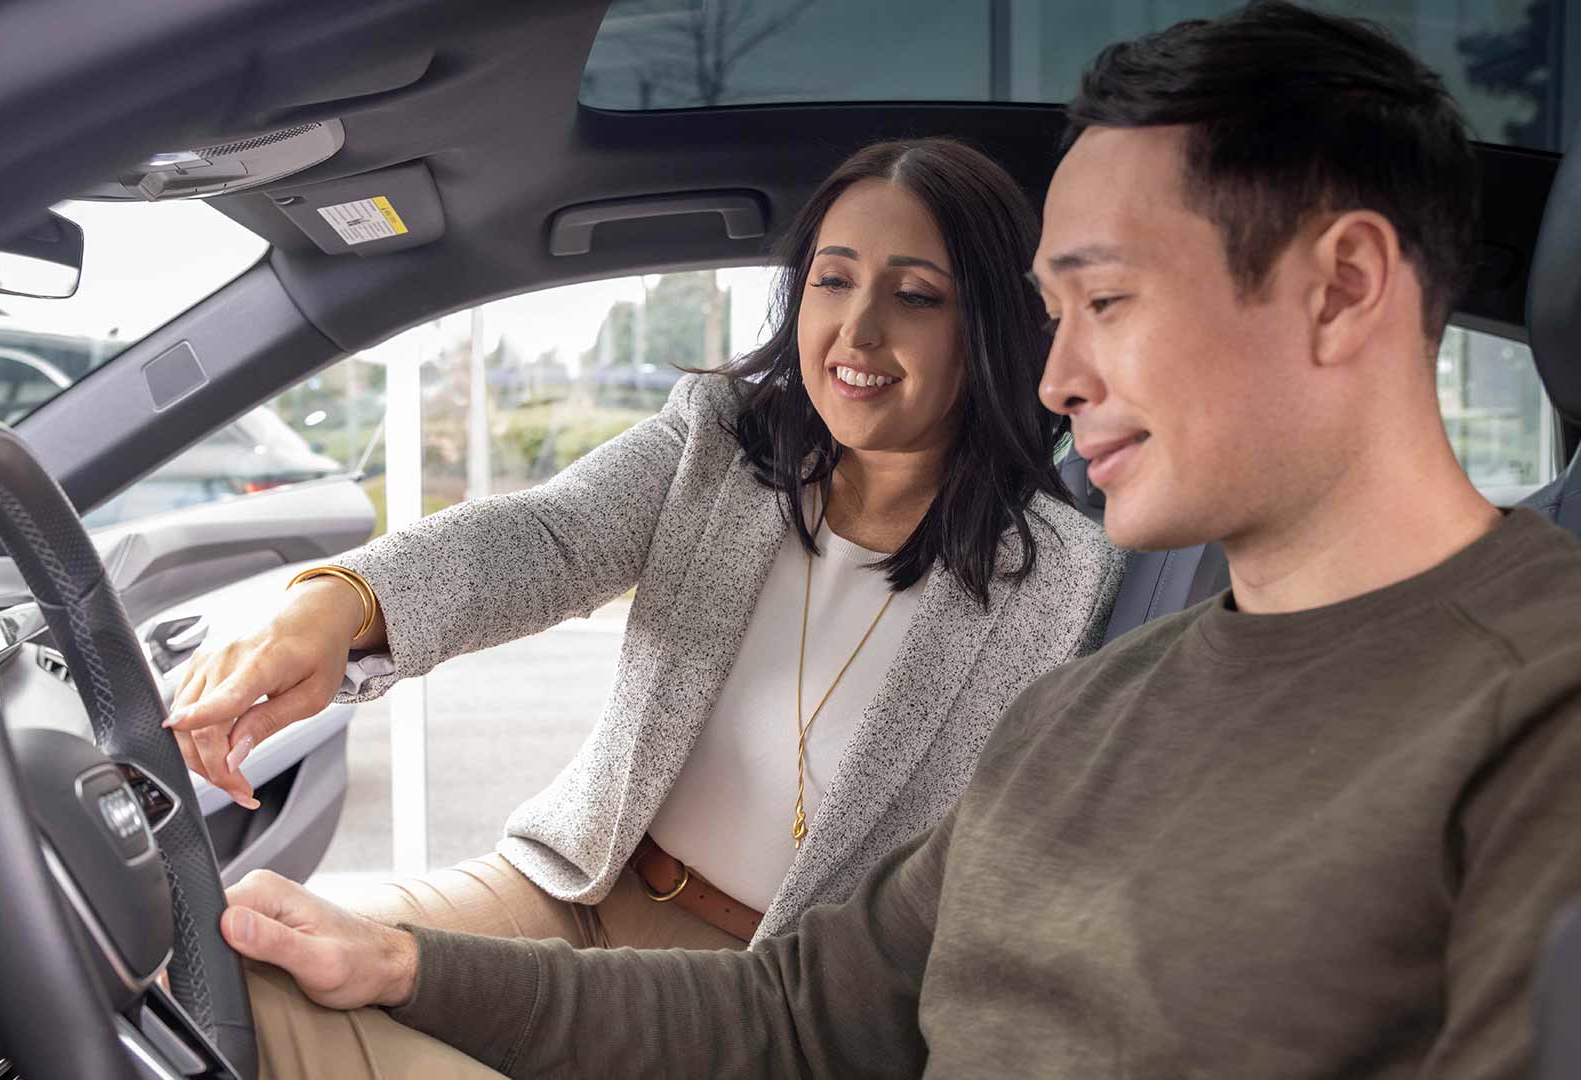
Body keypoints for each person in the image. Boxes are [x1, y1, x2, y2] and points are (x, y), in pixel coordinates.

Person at [213, 3, 1581, 1077]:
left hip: (731, 963)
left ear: (1340, 289)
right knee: (242, 981)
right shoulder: (1104, 707)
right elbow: (803, 1021)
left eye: (1104, 301)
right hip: (619, 926)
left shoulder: (1535, 712)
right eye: (1055, 314)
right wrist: (397, 956)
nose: (1060, 380)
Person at [167, 137, 1121, 954]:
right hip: (576, 887)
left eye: (916, 296)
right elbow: (546, 536)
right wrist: (335, 604)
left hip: (772, 992)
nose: (856, 329)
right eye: (833, 280)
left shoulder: (1057, 581)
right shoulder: (724, 437)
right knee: (241, 965)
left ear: (990, 326)